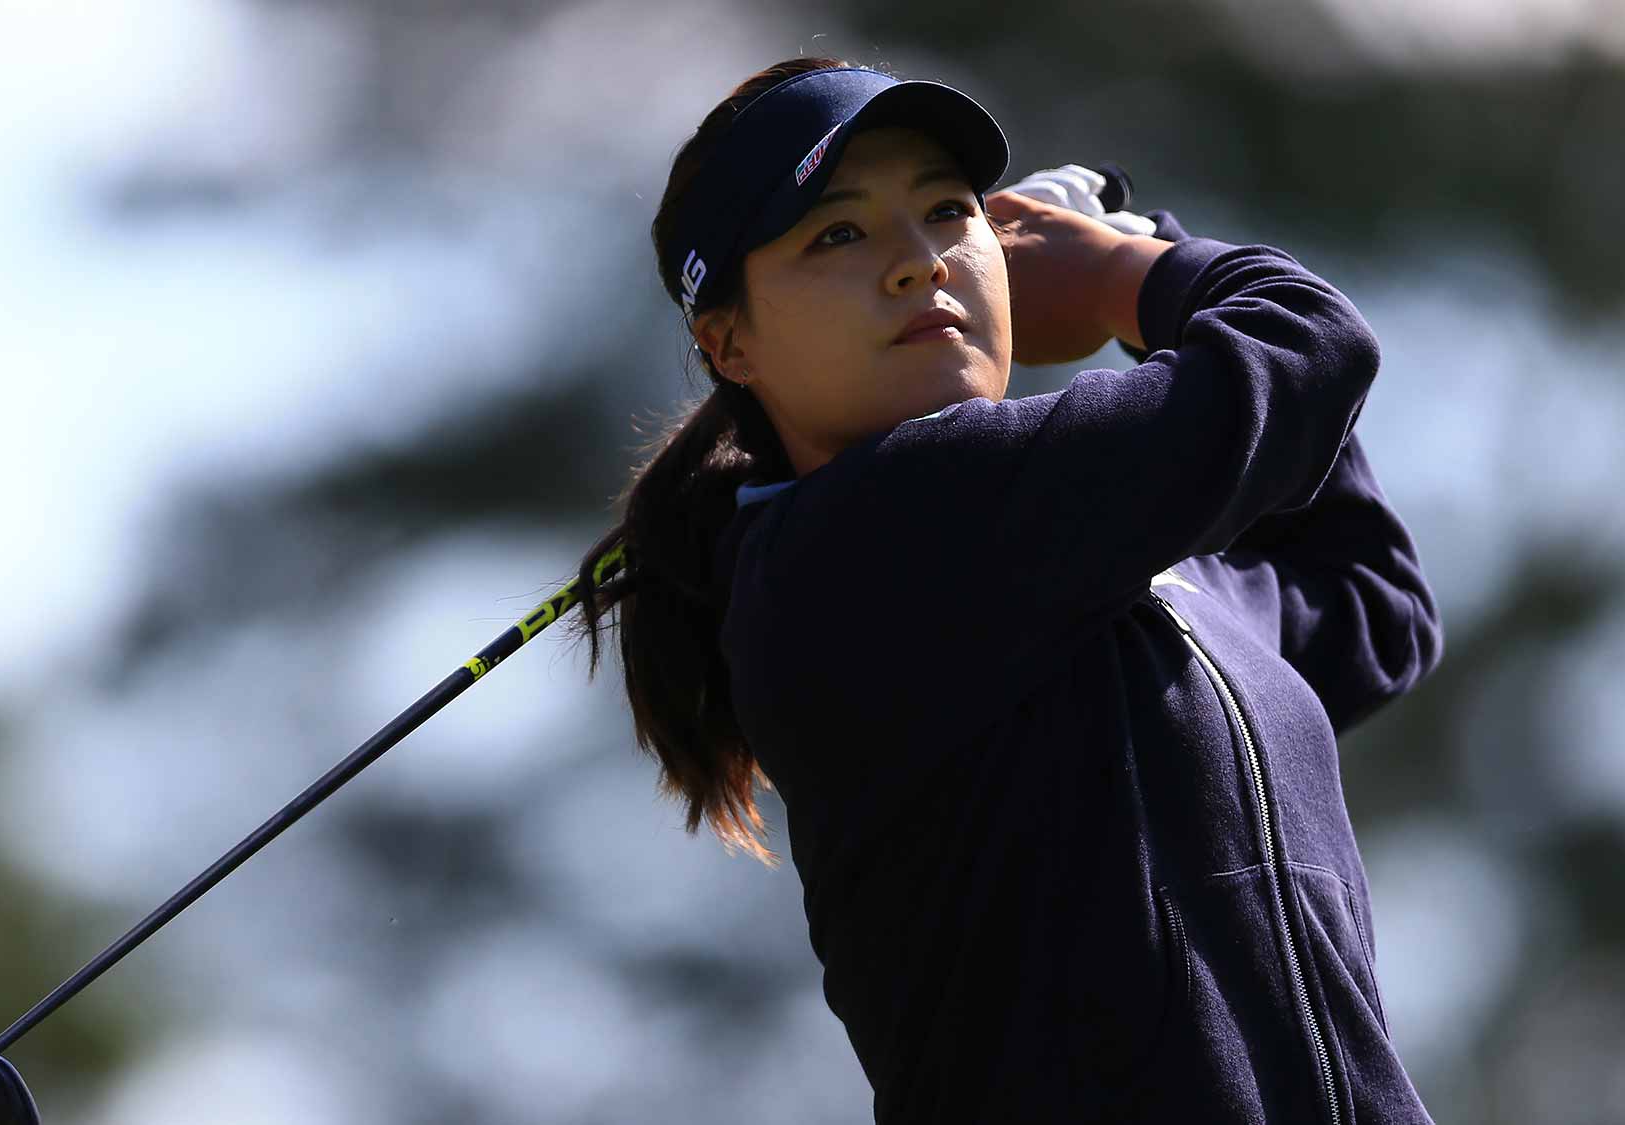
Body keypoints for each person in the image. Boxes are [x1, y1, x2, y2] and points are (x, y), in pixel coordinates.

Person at [566, 56, 1444, 1124]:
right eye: (836, 234)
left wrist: (1138, 260)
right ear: (728, 340)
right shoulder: (865, 537)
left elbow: (1368, 607)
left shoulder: (1098, 572)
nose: (916, 263)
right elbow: (1308, 348)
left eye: (946, 214)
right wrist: (1138, 278)